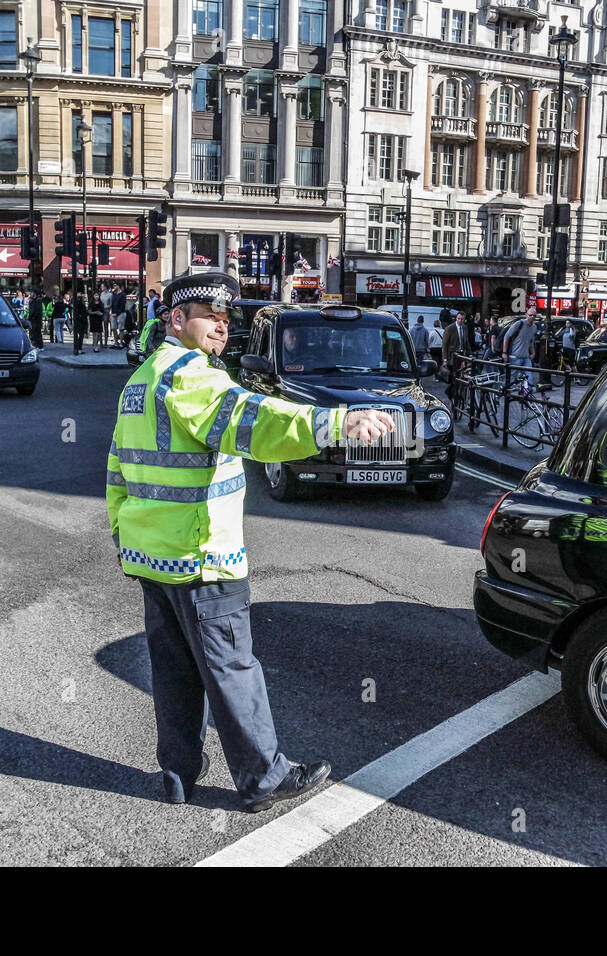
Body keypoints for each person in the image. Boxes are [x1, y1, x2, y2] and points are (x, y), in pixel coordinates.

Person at [108, 270, 395, 811]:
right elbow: (250, 420)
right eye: (209, 316)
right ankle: (263, 778)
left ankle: (176, 773)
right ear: (176, 319)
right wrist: (333, 424)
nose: (221, 326)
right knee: (231, 668)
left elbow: (118, 471)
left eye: (225, 318)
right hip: (203, 557)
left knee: (173, 671)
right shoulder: (191, 376)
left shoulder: (141, 380)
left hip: (153, 558)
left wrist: (124, 536)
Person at [109, 284, 127, 349]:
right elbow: (112, 303)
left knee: (121, 328)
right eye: (113, 285)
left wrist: (116, 313)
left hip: (121, 313)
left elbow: (122, 305)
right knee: (113, 328)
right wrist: (111, 312)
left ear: (119, 286)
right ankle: (116, 342)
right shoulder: (113, 294)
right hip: (113, 313)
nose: (114, 287)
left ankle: (121, 343)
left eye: (115, 285)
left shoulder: (123, 295)